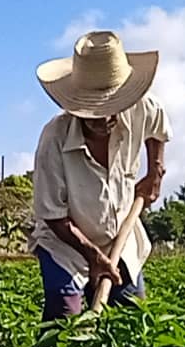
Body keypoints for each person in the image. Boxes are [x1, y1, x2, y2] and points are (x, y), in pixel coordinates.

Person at [29, 30, 172, 322]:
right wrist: (94, 257)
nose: (105, 118)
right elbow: (55, 217)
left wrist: (155, 170)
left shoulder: (141, 108)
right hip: (65, 246)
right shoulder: (53, 141)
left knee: (132, 319)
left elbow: (158, 124)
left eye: (112, 109)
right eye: (94, 111)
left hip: (120, 234)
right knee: (65, 316)